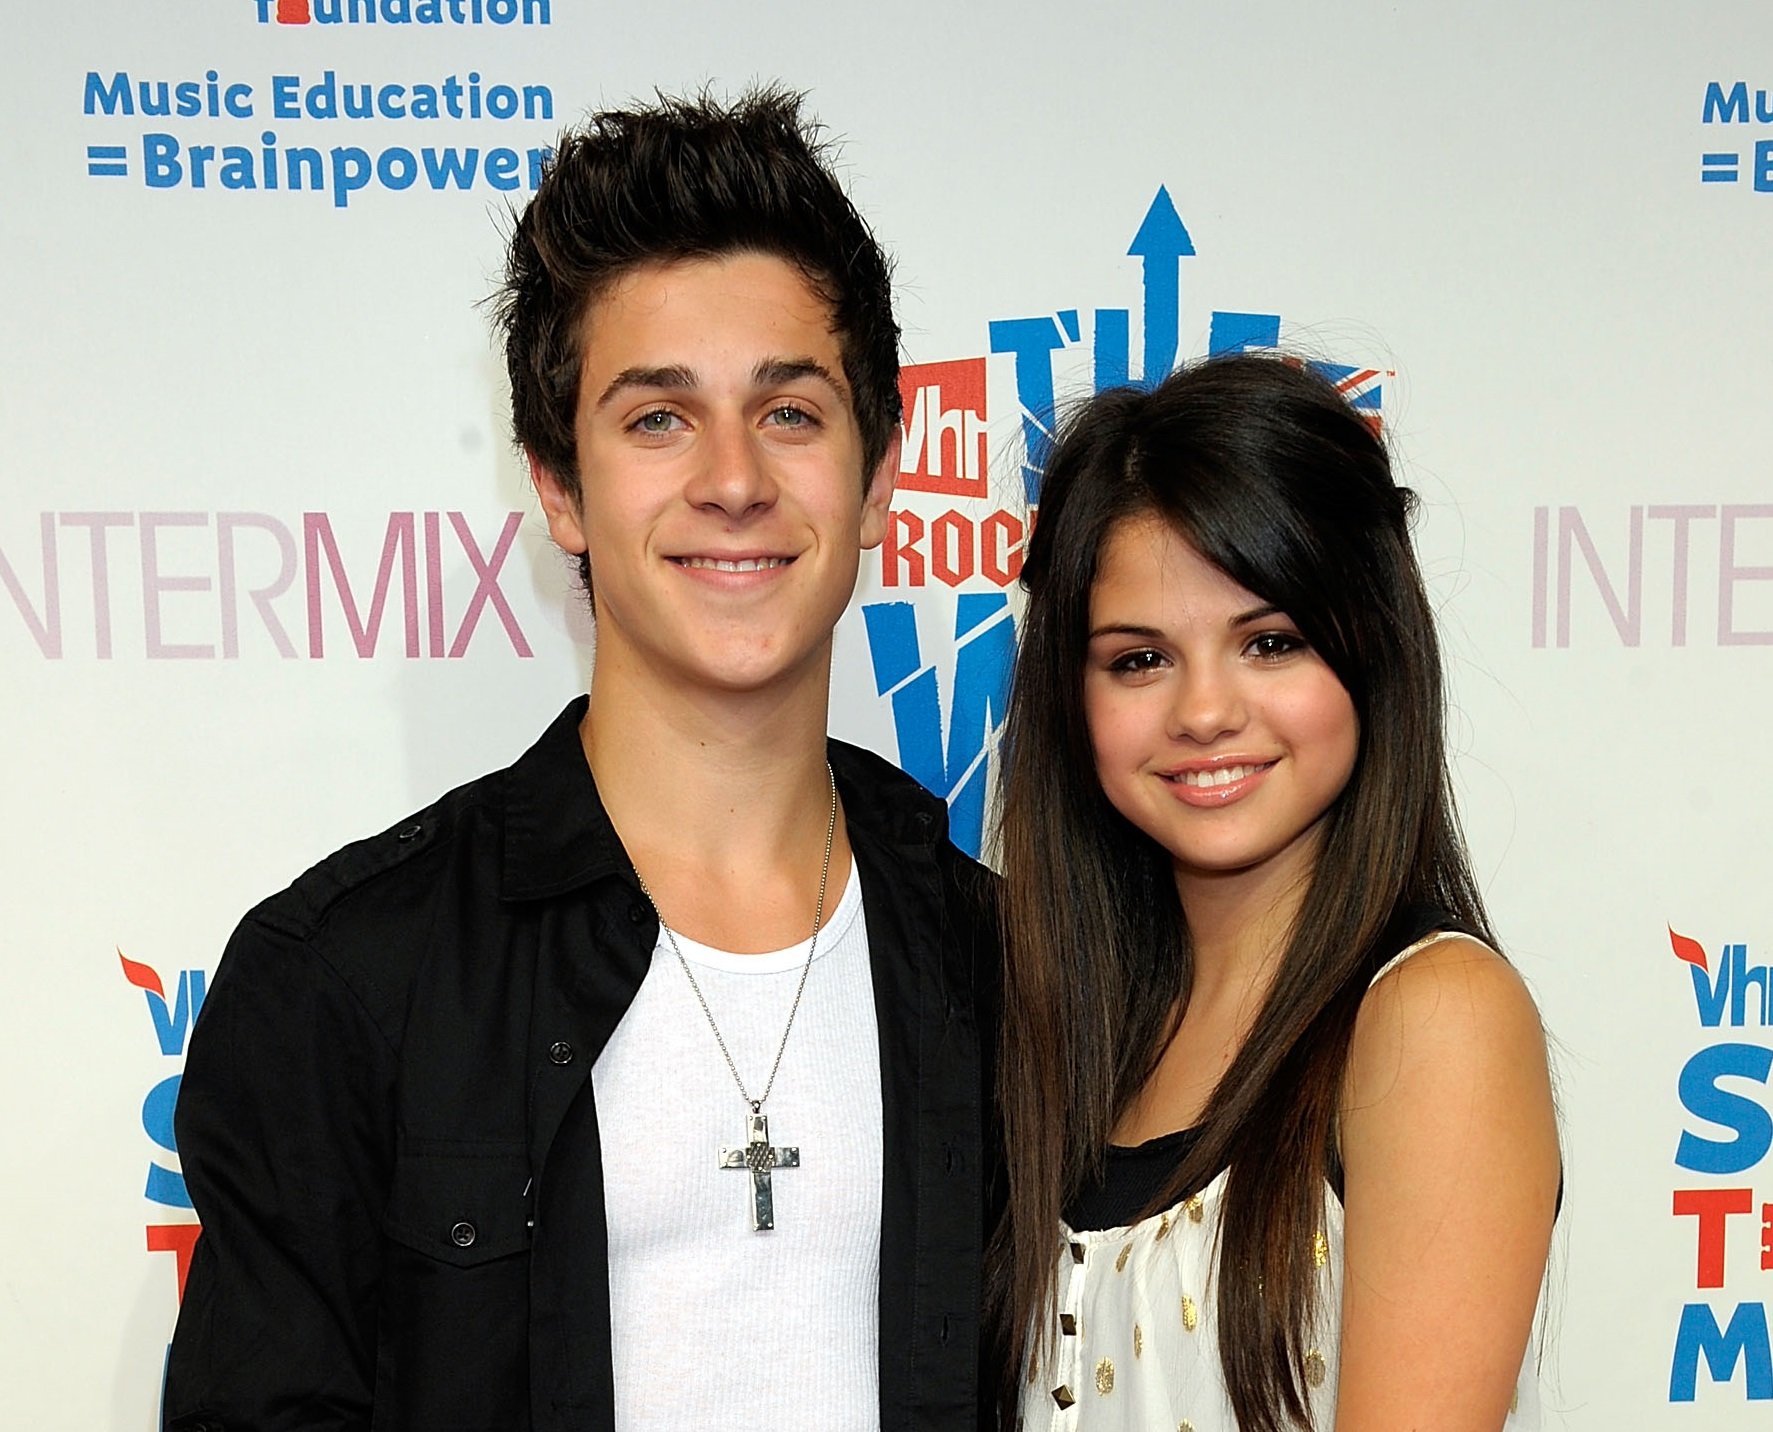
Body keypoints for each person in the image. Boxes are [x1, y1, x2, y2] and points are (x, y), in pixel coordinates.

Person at [163, 88, 997, 1432]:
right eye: (656, 419)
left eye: (790, 412)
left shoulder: (1000, 969)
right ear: (558, 484)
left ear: (880, 471)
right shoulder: (345, 981)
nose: (734, 479)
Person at [986, 355, 1558, 1431]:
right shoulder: (1072, 1025)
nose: (1205, 710)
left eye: (1269, 642)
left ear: (1371, 648)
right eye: (1140, 659)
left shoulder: (1432, 1020)